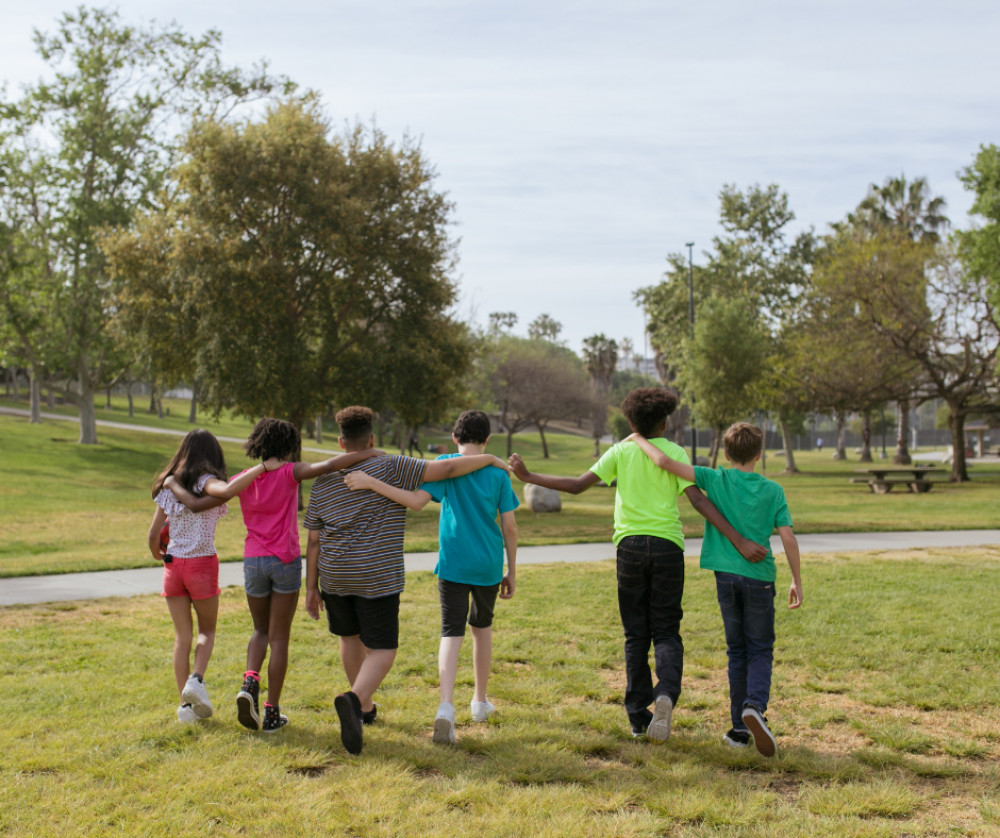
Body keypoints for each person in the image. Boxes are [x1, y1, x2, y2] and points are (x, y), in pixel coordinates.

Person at [508, 387, 767, 742]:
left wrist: (529, 477)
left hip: (628, 548)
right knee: (665, 629)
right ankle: (665, 694)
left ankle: (637, 718)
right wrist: (738, 540)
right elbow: (699, 502)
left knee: (635, 634)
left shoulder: (620, 451)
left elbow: (576, 485)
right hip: (667, 549)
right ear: (664, 422)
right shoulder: (675, 452)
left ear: (631, 422)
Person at [303, 405, 509, 755]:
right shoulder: (393, 465)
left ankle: (364, 709)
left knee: (348, 636)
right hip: (376, 573)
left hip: (335, 574)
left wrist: (311, 586)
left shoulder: (323, 483)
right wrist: (489, 458)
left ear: (340, 441)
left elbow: (312, 539)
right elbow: (449, 467)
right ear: (371, 438)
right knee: (383, 649)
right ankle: (354, 700)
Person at [167, 418, 380, 733]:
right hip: (285, 561)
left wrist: (172, 483)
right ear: (289, 445)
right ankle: (270, 712)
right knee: (279, 638)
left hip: (253, 561)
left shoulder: (243, 478)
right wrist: (369, 454)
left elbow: (204, 501)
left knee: (259, 631)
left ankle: (249, 681)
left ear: (257, 444)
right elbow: (330, 464)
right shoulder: (290, 472)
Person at [627, 421, 802, 756]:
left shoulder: (714, 477)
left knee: (736, 651)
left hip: (725, 577)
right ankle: (754, 707)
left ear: (725, 453)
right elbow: (788, 538)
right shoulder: (773, 490)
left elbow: (663, 462)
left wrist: (638, 437)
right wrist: (797, 579)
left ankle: (739, 730)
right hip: (760, 578)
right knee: (760, 649)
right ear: (760, 454)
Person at [148, 429, 278, 723]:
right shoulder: (208, 483)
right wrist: (262, 468)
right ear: (213, 454)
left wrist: (159, 555)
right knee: (206, 632)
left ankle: (186, 708)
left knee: (182, 637)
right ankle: (195, 680)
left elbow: (153, 534)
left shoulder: (169, 487)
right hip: (202, 565)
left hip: (173, 566)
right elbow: (227, 490)